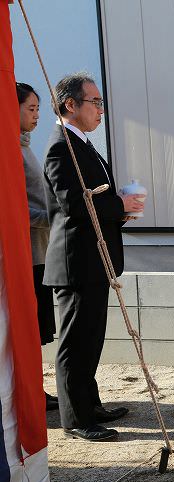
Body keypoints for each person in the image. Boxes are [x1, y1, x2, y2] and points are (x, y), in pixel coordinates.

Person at [42, 72, 143, 442]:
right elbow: (72, 203)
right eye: (95, 102)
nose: (101, 109)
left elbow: (93, 199)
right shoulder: (60, 145)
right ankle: (76, 418)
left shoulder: (82, 143)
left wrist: (120, 210)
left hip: (94, 258)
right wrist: (117, 204)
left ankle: (91, 403)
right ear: (71, 105)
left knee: (91, 337)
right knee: (75, 342)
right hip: (75, 261)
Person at [17, 82, 58, 412]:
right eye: (30, 109)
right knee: (30, 330)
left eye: (38, 109)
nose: (37, 116)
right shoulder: (10, 151)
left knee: (38, 330)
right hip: (26, 254)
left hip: (40, 250)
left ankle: (36, 390)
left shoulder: (24, 146)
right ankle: (31, 393)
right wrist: (52, 217)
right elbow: (14, 207)